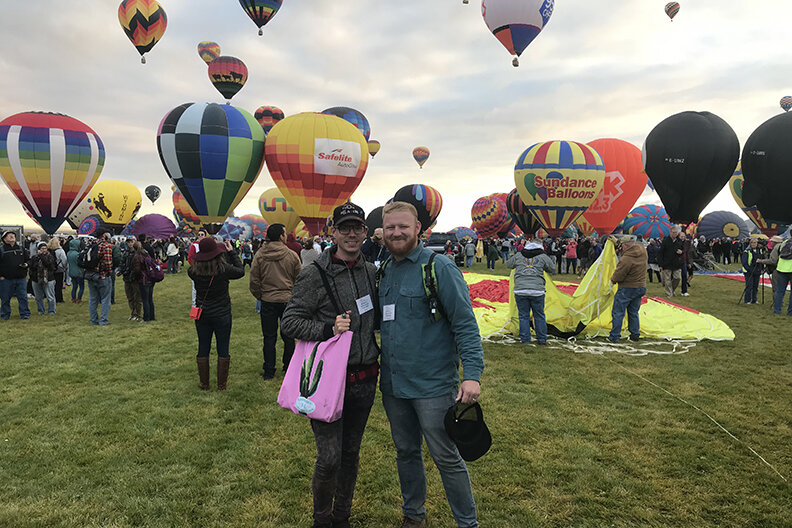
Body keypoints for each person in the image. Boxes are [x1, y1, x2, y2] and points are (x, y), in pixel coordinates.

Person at [378, 201, 485, 528]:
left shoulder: (439, 267)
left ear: (418, 229)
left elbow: (465, 324)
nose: (397, 233)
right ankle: (413, 515)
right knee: (406, 452)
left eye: (403, 227)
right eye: (391, 227)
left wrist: (472, 375)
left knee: (446, 457)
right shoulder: (385, 269)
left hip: (433, 386)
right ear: (383, 231)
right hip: (394, 385)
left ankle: (467, 523)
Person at [188, 237, 245, 390]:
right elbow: (240, 271)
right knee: (223, 347)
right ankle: (221, 384)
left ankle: (204, 383)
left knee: (203, 346)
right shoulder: (223, 270)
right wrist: (232, 253)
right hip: (222, 313)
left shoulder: (193, 271)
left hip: (203, 314)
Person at [249, 223, 302, 379]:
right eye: (285, 233)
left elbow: (254, 280)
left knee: (269, 337)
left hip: (268, 300)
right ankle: (289, 367)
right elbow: (300, 279)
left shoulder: (260, 255)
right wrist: (294, 295)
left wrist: (260, 295)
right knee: (289, 337)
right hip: (287, 300)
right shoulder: (291, 255)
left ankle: (269, 370)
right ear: (281, 236)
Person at [507, 241, 555, 345]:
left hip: (520, 289)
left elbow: (509, 264)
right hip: (537, 290)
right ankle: (542, 339)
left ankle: (525, 339)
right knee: (539, 315)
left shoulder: (519, 255)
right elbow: (552, 268)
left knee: (523, 316)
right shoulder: (543, 256)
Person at [609, 235, 648, 343]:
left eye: (622, 246)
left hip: (627, 288)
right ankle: (635, 334)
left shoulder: (626, 259)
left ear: (625, 246)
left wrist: (611, 281)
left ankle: (614, 336)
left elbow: (619, 275)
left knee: (618, 312)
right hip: (640, 287)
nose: (621, 248)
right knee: (633, 312)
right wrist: (618, 242)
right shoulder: (642, 250)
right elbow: (630, 245)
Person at [86, 230, 115, 326]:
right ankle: (103, 320)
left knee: (93, 299)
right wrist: (110, 272)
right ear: (104, 235)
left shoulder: (91, 245)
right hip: (102, 275)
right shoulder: (106, 246)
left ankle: (93, 320)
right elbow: (108, 263)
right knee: (105, 299)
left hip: (91, 275)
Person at [0, 230, 31, 320]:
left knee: (23, 297)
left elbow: (29, 260)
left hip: (21, 278)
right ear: (4, 239)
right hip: (6, 279)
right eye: (9, 235)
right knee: (5, 298)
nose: (12, 236)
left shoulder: (21, 249)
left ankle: (25, 314)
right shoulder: (1, 250)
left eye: (13, 235)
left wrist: (26, 264)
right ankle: (5, 315)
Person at [759, 236, 792, 315]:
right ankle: (790, 312)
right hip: (790, 269)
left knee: (779, 291)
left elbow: (775, 258)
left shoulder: (784, 243)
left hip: (781, 269)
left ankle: (777, 310)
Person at [29, 242, 57, 315]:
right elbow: (32, 267)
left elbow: (49, 265)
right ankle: (41, 311)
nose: (44, 250)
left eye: (45, 248)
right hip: (36, 279)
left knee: (50, 296)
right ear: (39, 249)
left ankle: (51, 311)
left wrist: (42, 256)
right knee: (38, 297)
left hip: (48, 278)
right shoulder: (34, 257)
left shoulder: (50, 257)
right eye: (42, 249)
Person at [133, 240, 157, 322]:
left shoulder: (137, 256)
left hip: (143, 279)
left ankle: (146, 317)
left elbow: (137, 270)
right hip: (150, 277)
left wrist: (136, 278)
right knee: (150, 299)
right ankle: (152, 316)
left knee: (145, 299)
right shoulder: (146, 254)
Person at [119, 237, 143, 321]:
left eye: (132, 242)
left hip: (135, 278)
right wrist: (120, 271)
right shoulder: (126, 253)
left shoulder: (139, 253)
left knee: (137, 297)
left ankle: (138, 314)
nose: (130, 244)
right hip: (127, 277)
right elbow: (122, 263)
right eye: (128, 242)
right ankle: (133, 313)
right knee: (130, 297)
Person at [659, 226, 683, 298]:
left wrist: (681, 252)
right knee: (667, 279)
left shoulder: (679, 241)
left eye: (676, 233)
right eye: (673, 232)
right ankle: (669, 293)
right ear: (670, 232)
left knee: (677, 278)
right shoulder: (665, 241)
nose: (675, 234)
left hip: (676, 263)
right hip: (666, 263)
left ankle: (672, 290)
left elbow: (682, 250)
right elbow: (660, 253)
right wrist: (660, 264)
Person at [741, 237, 763, 305]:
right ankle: (747, 300)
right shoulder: (746, 251)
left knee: (755, 286)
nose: (753, 244)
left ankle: (754, 299)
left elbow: (761, 260)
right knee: (749, 286)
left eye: (755, 242)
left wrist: (761, 269)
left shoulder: (759, 251)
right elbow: (744, 263)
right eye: (752, 242)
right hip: (749, 271)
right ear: (749, 243)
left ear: (757, 243)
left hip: (757, 270)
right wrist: (750, 269)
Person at [48, 238, 67, 303]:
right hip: (59, 269)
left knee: (51, 285)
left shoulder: (49, 251)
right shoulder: (60, 251)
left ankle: (51, 297)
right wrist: (64, 268)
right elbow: (64, 260)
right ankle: (59, 298)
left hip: (51, 269)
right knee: (59, 285)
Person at [66, 238, 85, 303]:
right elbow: (81, 263)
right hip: (79, 272)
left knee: (74, 286)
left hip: (71, 272)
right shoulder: (78, 254)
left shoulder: (68, 253)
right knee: (81, 286)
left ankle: (73, 298)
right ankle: (79, 299)